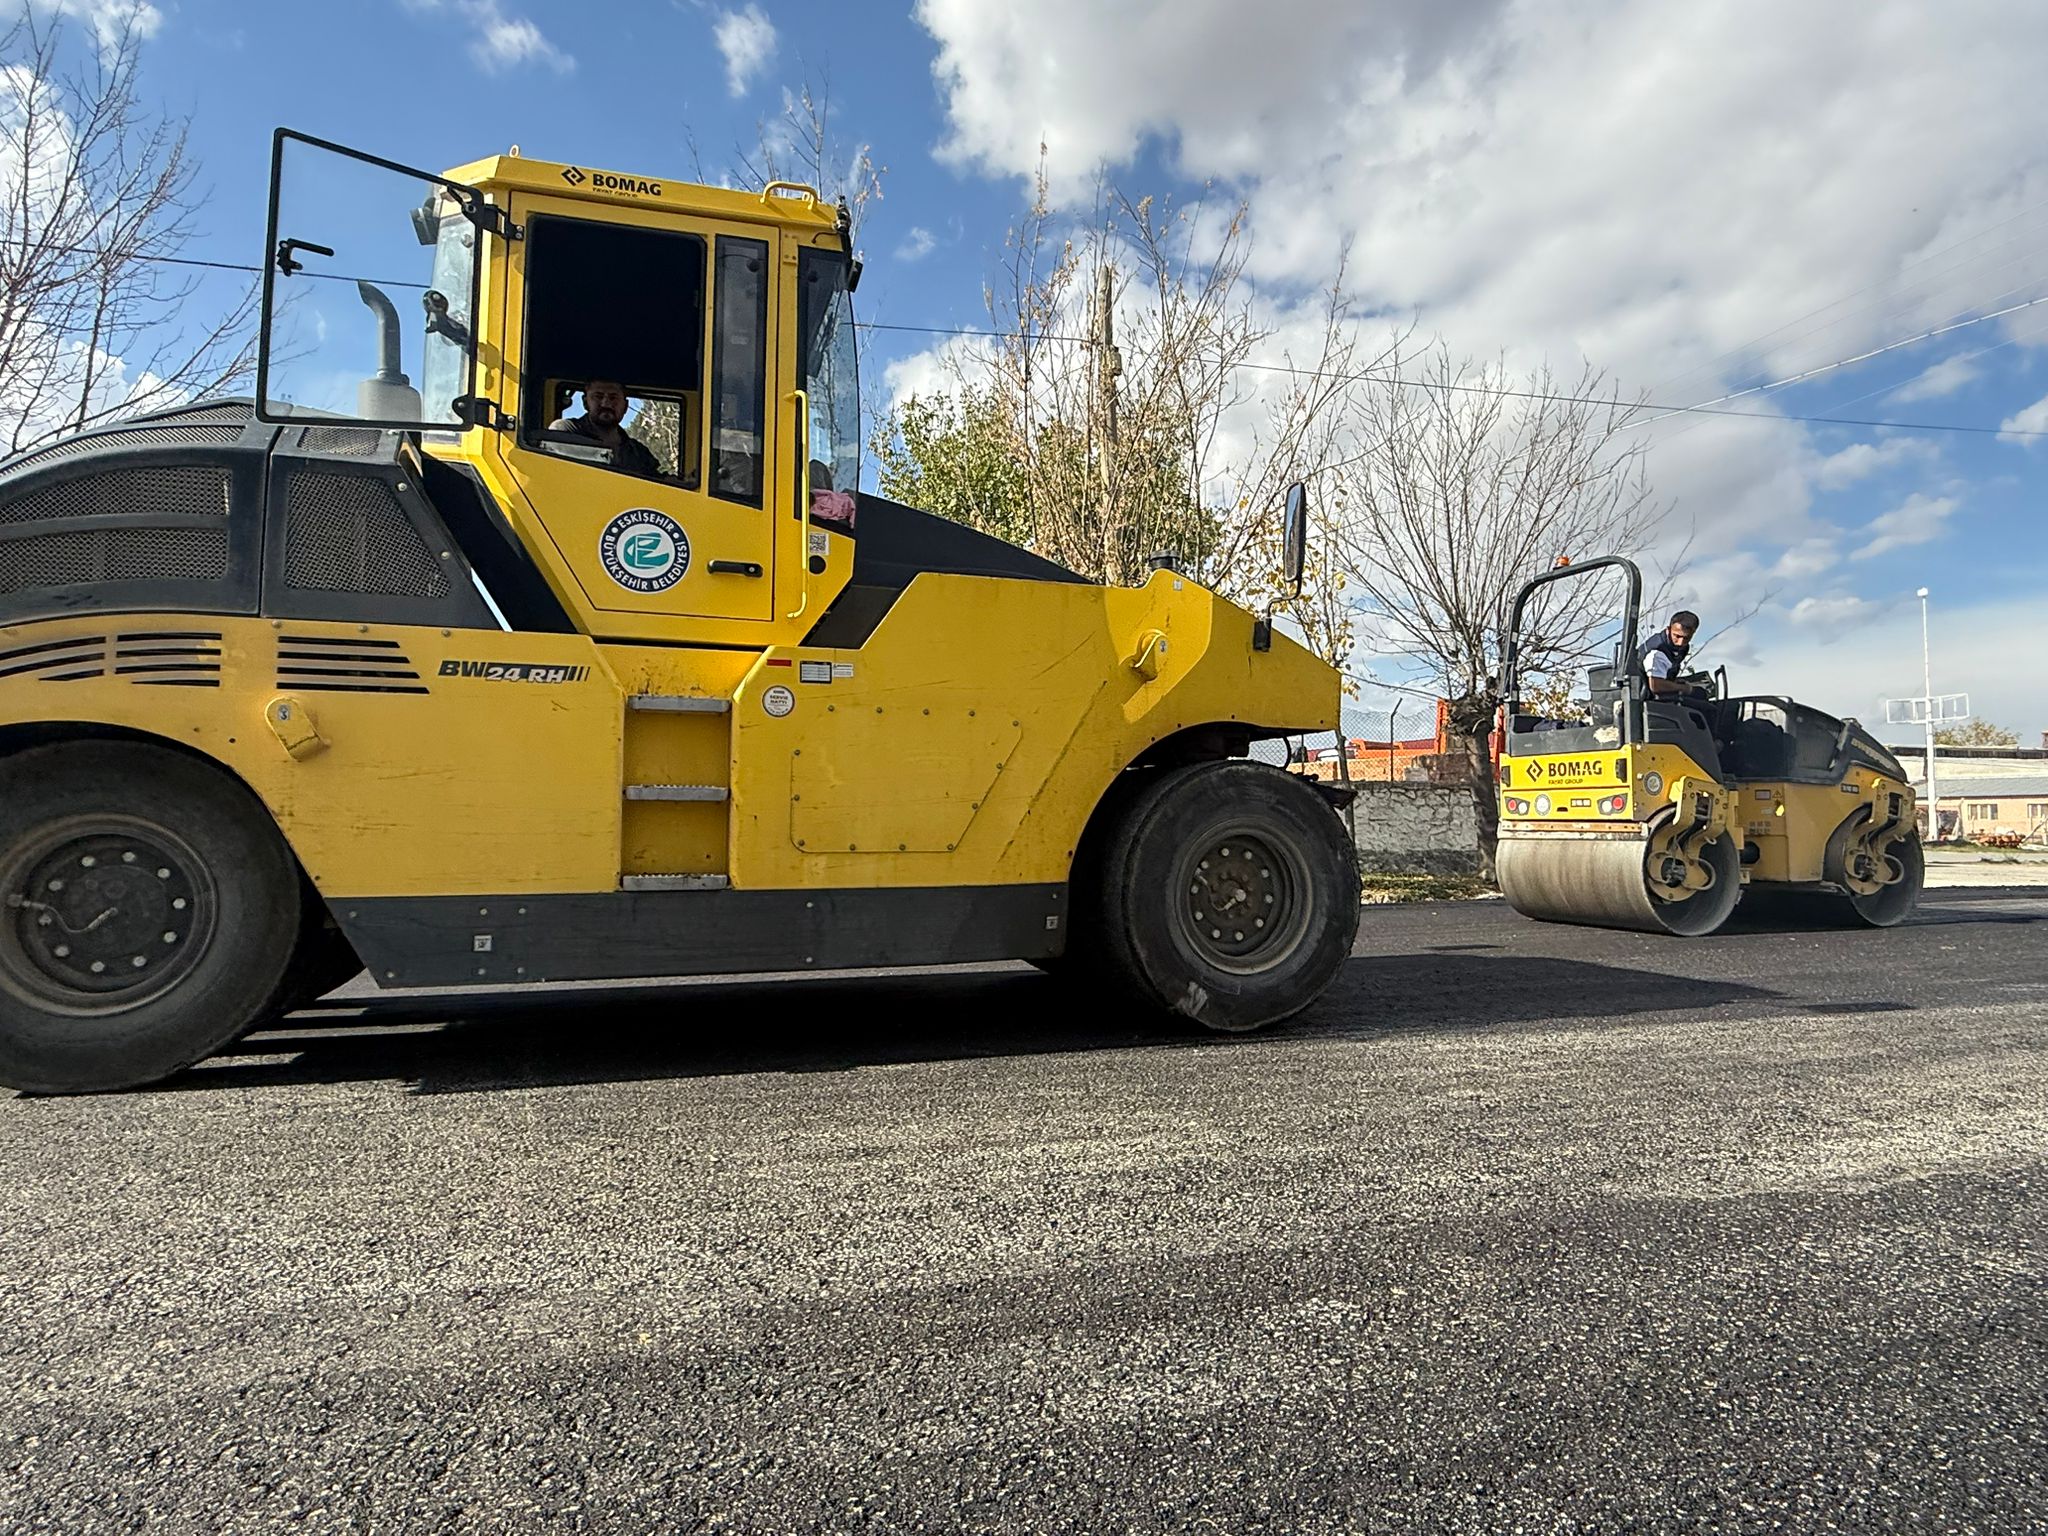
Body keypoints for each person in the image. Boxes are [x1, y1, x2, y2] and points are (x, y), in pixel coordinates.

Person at [549, 378, 662, 478]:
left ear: (626, 406)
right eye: (598, 396)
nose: (606, 403)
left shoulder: (638, 453)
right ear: (585, 402)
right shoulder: (565, 432)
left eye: (613, 398)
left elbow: (657, 482)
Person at [1638, 609, 1702, 698]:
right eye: (1677, 636)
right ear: (1668, 629)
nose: (1680, 642)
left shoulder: (1683, 648)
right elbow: (1655, 685)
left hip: (1660, 693)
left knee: (1701, 692)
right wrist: (1684, 688)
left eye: (1686, 638)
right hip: (1647, 697)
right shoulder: (1657, 652)